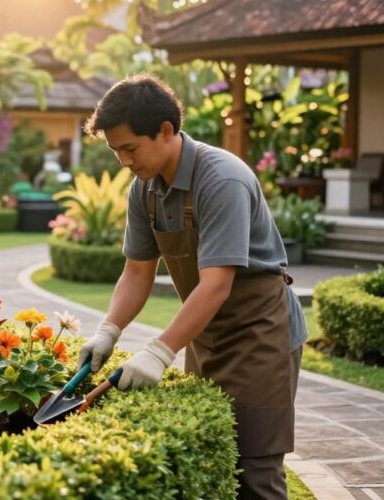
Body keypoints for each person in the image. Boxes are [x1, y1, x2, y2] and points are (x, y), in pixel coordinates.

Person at [76, 74, 308, 499]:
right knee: (213, 456)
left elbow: (217, 284)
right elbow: (136, 272)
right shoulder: (143, 189)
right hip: (206, 334)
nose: (124, 161)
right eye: (116, 151)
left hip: (261, 336)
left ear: (166, 130)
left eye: (130, 148)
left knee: (256, 469)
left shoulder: (221, 179)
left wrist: (159, 352)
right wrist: (109, 331)